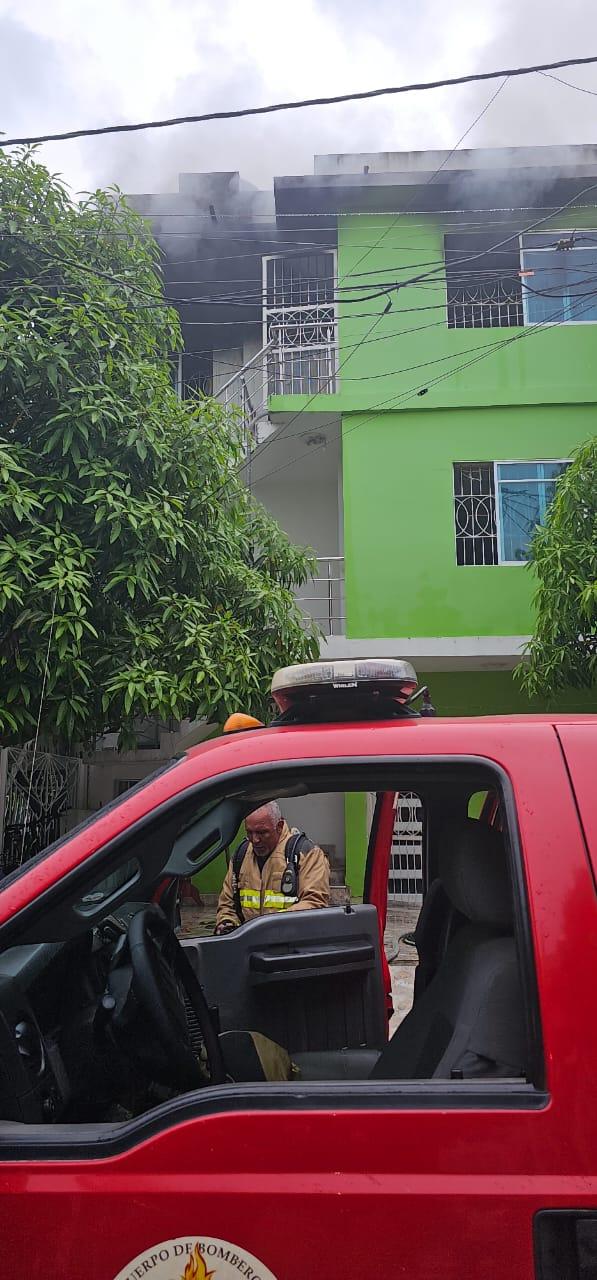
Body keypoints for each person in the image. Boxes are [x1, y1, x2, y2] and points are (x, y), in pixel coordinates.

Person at [215, 801, 330, 934]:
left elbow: (314, 903)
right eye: (249, 832)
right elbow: (227, 905)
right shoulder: (241, 856)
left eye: (262, 832)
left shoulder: (307, 854)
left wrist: (271, 925)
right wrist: (227, 924)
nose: (255, 840)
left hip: (291, 941)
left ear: (279, 826)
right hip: (249, 942)